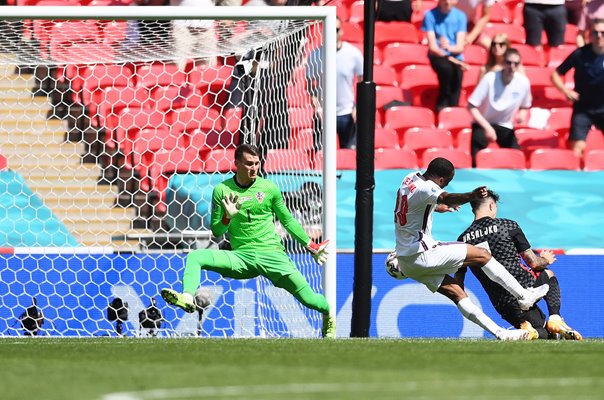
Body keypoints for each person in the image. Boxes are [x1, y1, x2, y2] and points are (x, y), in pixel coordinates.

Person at [161, 144, 335, 338]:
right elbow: (217, 232)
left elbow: (287, 220)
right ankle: (186, 298)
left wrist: (310, 245)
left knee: (310, 300)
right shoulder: (222, 190)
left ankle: (328, 314)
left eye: (256, 163)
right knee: (195, 257)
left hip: (272, 256)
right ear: (236, 163)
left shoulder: (269, 188)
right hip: (241, 258)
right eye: (249, 164)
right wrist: (227, 217)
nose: (254, 168)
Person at [389, 157, 549, 340]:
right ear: (442, 180)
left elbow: (412, 204)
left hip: (406, 261)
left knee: (457, 293)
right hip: (422, 252)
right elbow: (447, 197)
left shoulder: (410, 178)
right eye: (448, 181)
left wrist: (437, 207)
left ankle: (501, 333)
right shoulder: (428, 188)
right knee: (482, 255)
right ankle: (523, 296)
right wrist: (470, 196)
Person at [456, 189, 583, 340]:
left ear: (473, 208)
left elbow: (459, 281)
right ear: (491, 205)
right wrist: (546, 259)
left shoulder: (463, 240)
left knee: (539, 333)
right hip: (524, 287)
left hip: (501, 301)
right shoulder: (507, 225)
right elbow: (533, 263)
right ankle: (555, 317)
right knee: (548, 273)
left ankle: (531, 331)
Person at [306, 16, 363, 150]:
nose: (333, 33)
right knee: (321, 157)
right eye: (329, 29)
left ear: (341, 31)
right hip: (322, 115)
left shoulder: (353, 54)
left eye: (336, 29)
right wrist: (317, 107)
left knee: (349, 156)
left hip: (347, 114)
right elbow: (309, 85)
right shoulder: (315, 55)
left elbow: (362, 82)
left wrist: (357, 108)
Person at [467, 47, 531, 165]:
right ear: (503, 62)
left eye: (516, 63)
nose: (512, 66)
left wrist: (522, 114)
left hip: (505, 125)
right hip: (483, 123)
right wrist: (487, 128)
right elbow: (471, 106)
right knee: (477, 160)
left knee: (516, 159)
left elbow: (525, 106)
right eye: (508, 62)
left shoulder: (523, 82)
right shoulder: (490, 78)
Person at [551, 18, 604, 158]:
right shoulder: (580, 54)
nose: (599, 36)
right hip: (583, 108)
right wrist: (565, 91)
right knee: (577, 148)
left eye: (603, 33)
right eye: (595, 32)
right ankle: (577, 177)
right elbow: (556, 74)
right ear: (590, 34)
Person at [422, 0, 468, 112]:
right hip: (438, 57)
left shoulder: (461, 16)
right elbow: (433, 47)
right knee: (446, 70)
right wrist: (447, 53)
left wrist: (448, 48)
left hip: (454, 57)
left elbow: (459, 47)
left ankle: (453, 111)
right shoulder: (430, 15)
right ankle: (442, 105)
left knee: (457, 76)